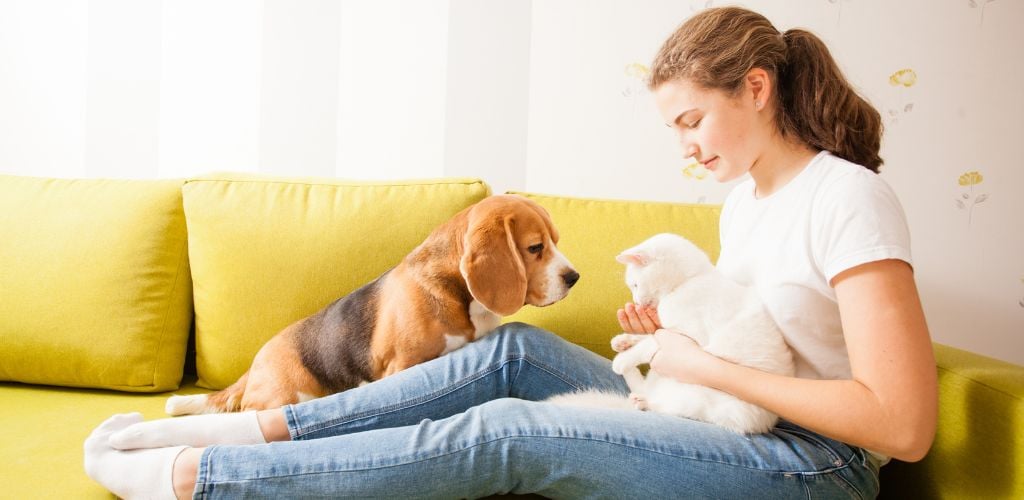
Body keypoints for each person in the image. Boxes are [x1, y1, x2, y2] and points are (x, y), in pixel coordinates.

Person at [84, 6, 937, 499]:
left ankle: (205, 480)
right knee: (514, 347)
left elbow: (902, 428)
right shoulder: (748, 202)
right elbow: (762, 339)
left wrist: (704, 368)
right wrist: (671, 344)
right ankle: (260, 426)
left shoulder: (848, 197)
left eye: (691, 123)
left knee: (512, 431)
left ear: (756, 88)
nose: (685, 149)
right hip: (713, 415)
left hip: (811, 466)